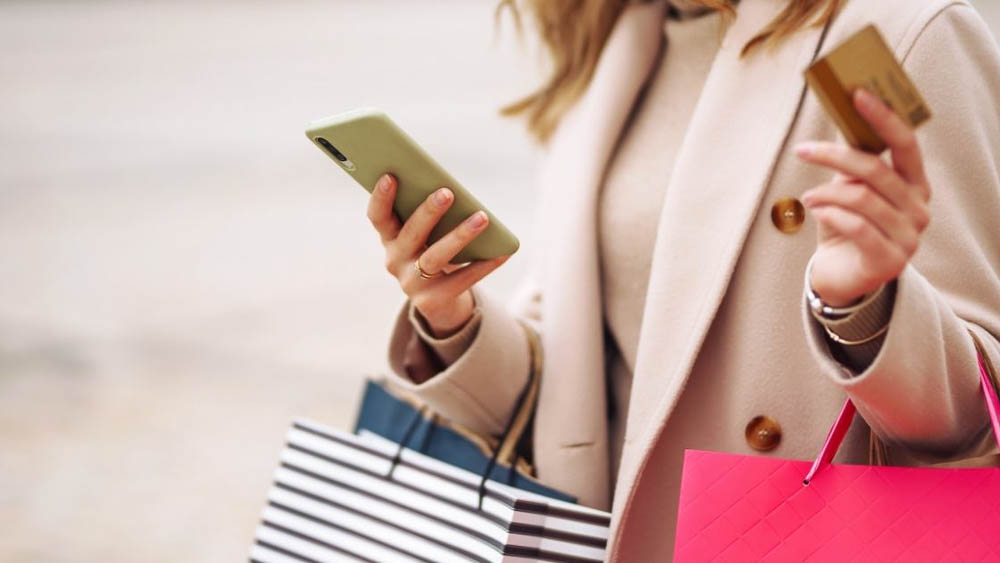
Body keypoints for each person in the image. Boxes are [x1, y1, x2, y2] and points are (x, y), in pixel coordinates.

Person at [364, 0, 1000, 558]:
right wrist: (451, 319)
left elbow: (979, 412)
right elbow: (601, 374)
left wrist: (864, 307)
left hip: (792, 540)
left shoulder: (887, 34)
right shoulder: (614, 47)